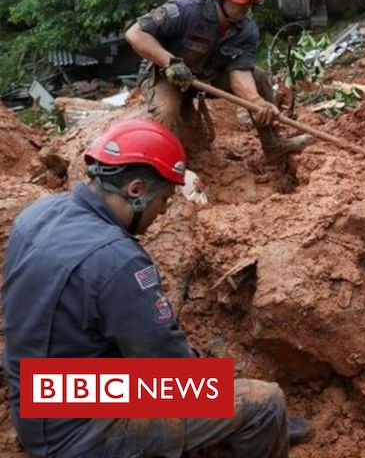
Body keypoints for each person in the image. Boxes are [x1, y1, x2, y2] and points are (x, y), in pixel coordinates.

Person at [2, 119, 308, 457]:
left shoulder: (38, 214)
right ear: (135, 190)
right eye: (164, 198)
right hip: (74, 430)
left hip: (39, 394)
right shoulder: (116, 260)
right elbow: (168, 365)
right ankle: (258, 423)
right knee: (264, 403)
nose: (163, 212)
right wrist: (224, 390)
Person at [125, 0, 307, 160]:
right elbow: (135, 33)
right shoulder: (184, 11)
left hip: (204, 78)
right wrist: (170, 62)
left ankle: (272, 144)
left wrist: (256, 101)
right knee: (167, 112)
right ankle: (162, 168)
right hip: (163, 75)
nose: (247, 6)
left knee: (258, 75)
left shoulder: (247, 30)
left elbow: (240, 72)